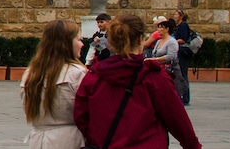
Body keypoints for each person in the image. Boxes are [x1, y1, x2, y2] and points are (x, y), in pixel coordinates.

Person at [73, 14, 201, 149]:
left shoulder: (94, 76)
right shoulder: (153, 77)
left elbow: (81, 116)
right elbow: (177, 120)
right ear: (141, 39)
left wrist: (98, 138)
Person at [20, 20, 87, 149]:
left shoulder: (31, 73)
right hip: (70, 140)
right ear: (66, 43)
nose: (82, 44)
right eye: (79, 40)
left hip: (38, 140)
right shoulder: (77, 73)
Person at [146, 19, 186, 101]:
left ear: (167, 29)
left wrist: (154, 59)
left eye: (161, 27)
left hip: (169, 71)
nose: (158, 29)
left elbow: (170, 56)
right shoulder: (159, 41)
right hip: (158, 70)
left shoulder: (172, 41)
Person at [172, 9, 193, 105]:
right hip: (179, 51)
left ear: (181, 16)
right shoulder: (179, 26)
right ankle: (182, 95)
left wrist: (173, 42)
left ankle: (185, 96)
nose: (174, 15)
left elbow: (183, 39)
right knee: (181, 73)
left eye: (176, 14)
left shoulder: (183, 25)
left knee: (183, 73)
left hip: (182, 52)